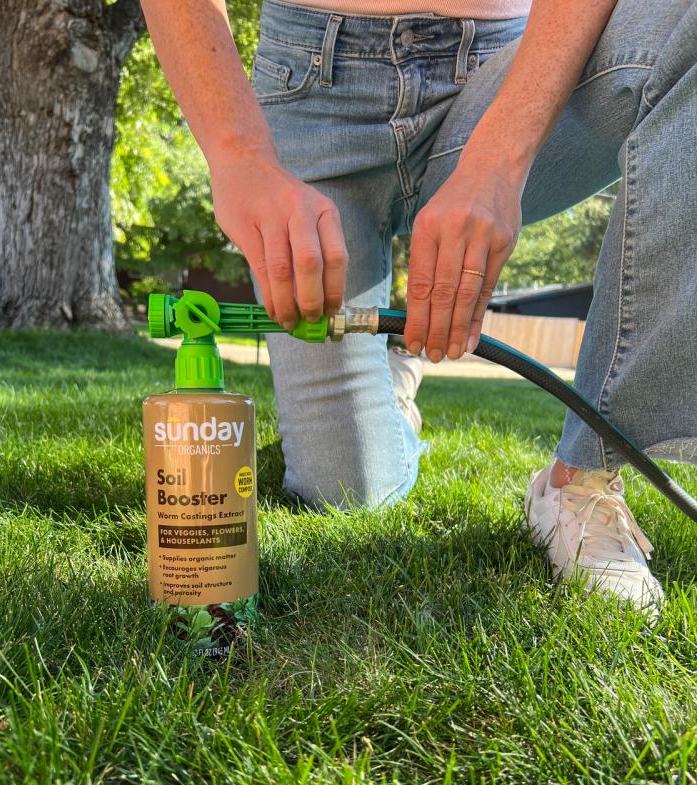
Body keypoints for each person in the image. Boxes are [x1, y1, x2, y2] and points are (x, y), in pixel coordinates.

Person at [142, 0, 697, 613]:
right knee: (349, 493)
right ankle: (394, 387)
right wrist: (238, 155)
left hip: (510, 73)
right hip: (310, 87)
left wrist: (495, 161)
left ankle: (581, 482)